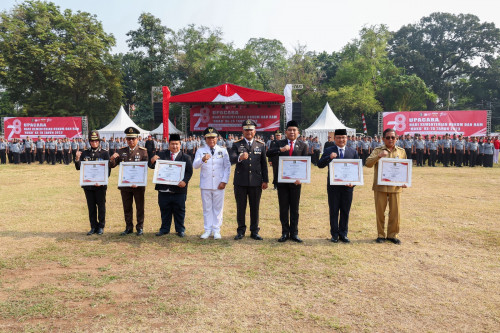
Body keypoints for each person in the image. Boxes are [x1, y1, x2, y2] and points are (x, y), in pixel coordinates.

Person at [266, 120, 308, 243]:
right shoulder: (279, 143)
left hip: (296, 182)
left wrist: (302, 179)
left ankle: (294, 233)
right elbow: (268, 153)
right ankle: (285, 232)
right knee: (283, 208)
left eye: (294, 130)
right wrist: (281, 149)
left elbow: (305, 164)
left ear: (298, 132)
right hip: (282, 181)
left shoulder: (303, 145)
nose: (292, 132)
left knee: (295, 208)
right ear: (286, 132)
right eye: (289, 130)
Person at [365, 128, 407, 244]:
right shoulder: (378, 150)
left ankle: (392, 235)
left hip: (395, 187)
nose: (390, 139)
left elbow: (404, 168)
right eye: (387, 137)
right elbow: (368, 163)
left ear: (396, 139)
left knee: (395, 212)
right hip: (380, 186)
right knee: (380, 212)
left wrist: (405, 181)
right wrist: (378, 156)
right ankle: (381, 235)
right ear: (383, 139)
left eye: (393, 137)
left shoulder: (401, 151)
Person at [317, 128, 359, 243]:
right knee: (334, 210)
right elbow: (319, 164)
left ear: (347, 138)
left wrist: (353, 184)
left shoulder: (353, 152)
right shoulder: (329, 150)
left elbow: (357, 170)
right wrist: (329, 157)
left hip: (347, 187)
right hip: (333, 187)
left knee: (345, 210)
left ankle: (343, 234)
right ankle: (334, 234)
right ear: (334, 138)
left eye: (343, 137)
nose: (341, 140)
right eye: (339, 137)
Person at [229, 119, 269, 240]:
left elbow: (264, 164)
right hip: (240, 182)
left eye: (251, 129)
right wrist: (240, 157)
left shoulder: (260, 145)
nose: (248, 132)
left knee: (255, 207)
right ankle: (241, 230)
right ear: (243, 131)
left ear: (255, 131)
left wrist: (265, 180)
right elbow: (232, 159)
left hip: (256, 182)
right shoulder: (236, 144)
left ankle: (254, 231)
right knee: (241, 207)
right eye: (246, 130)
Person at [149, 134, 193, 237]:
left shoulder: (185, 157)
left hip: (179, 189)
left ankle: (180, 229)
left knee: (179, 210)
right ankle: (164, 229)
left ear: (180, 144)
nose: (174, 146)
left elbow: (189, 172)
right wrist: (151, 161)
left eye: (176, 144)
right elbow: (152, 166)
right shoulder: (162, 154)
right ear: (169, 145)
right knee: (164, 209)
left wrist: (185, 181)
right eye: (172, 144)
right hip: (164, 189)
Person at [109, 127, 149, 236]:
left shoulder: (143, 152)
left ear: (137, 139)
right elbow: (112, 165)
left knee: (140, 207)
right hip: (125, 185)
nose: (131, 141)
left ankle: (140, 227)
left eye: (133, 138)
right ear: (126, 139)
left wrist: (140, 182)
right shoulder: (121, 151)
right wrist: (112, 159)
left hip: (138, 186)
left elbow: (145, 169)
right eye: (128, 139)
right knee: (127, 207)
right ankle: (128, 227)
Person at [193, 127, 231, 239]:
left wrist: (224, 181)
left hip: (219, 184)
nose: (211, 140)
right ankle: (207, 229)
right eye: (208, 138)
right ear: (205, 139)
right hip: (206, 183)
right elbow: (195, 166)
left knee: (218, 208)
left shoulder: (223, 150)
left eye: (213, 137)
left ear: (217, 138)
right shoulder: (200, 150)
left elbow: (227, 167)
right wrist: (202, 159)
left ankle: (216, 230)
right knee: (207, 208)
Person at [74, 131, 110, 235]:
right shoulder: (85, 153)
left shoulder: (104, 153)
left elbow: (108, 170)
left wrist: (102, 181)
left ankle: (101, 226)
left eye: (96, 141)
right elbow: (78, 168)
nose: (94, 143)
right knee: (91, 206)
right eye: (92, 141)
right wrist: (77, 158)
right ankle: (93, 226)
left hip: (100, 186)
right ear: (89, 142)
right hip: (88, 185)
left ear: (99, 141)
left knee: (101, 205)